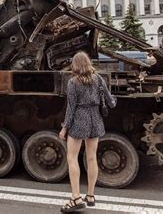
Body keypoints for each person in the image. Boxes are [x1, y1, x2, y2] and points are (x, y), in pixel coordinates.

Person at [58, 52, 116, 212]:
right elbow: (111, 102)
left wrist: (64, 127)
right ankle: (90, 195)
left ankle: (76, 197)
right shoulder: (98, 79)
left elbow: (70, 108)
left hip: (79, 119)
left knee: (72, 158)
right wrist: (114, 100)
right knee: (91, 158)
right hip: (96, 119)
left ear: (75, 65)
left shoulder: (73, 82)